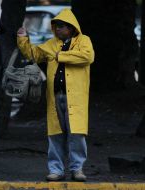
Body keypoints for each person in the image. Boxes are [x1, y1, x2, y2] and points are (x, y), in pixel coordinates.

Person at [17, 8, 95, 181]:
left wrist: (61, 56)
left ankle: (77, 169)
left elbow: (87, 57)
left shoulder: (84, 41)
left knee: (77, 135)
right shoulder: (51, 43)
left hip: (76, 98)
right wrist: (23, 39)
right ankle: (56, 170)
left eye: (60, 26)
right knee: (55, 134)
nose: (57, 29)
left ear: (71, 27)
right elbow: (34, 54)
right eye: (56, 26)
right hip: (55, 97)